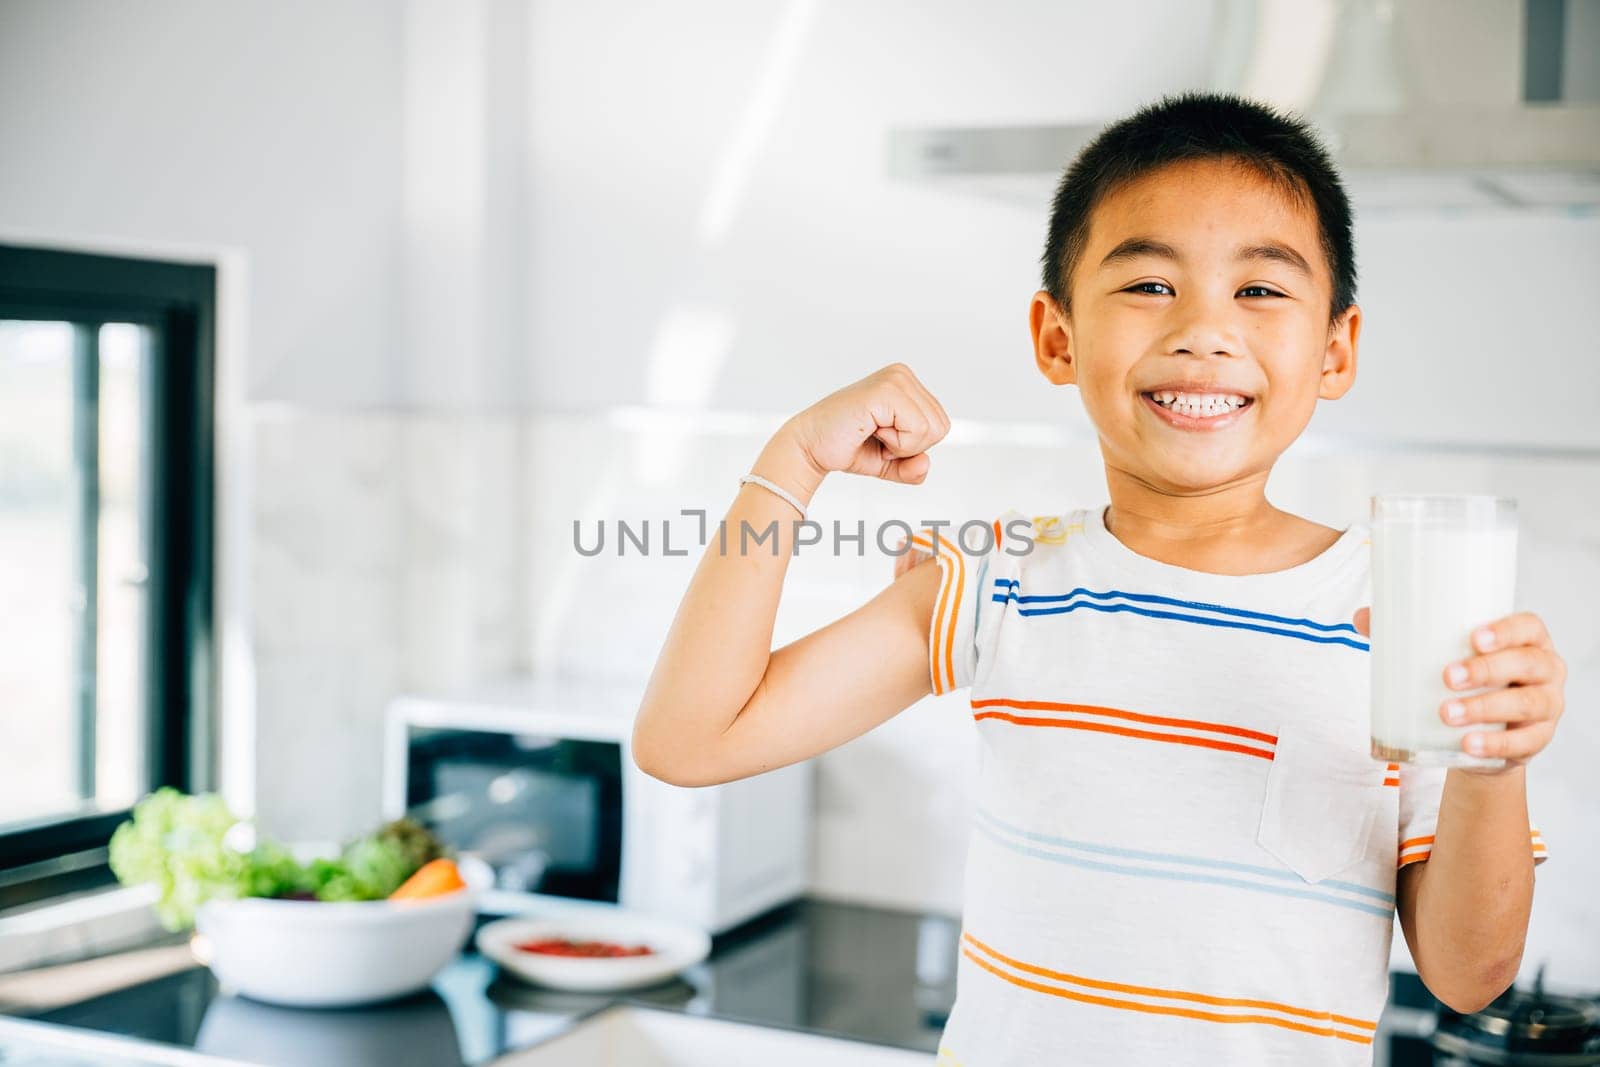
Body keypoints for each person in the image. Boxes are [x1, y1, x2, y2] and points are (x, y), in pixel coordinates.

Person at [632, 91, 1567, 1065]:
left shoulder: (1403, 616)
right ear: (1056, 337)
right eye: (1148, 285)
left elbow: (1468, 974)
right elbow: (690, 740)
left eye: (1259, 290)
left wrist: (1491, 761)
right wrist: (790, 461)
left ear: (1335, 348)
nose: (1203, 330)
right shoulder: (995, 580)